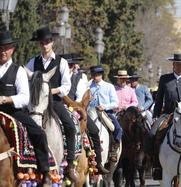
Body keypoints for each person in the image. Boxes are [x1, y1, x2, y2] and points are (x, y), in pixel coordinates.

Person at [26, 27, 78, 182]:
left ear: (52, 43)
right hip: (36, 103)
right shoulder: (32, 62)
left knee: (70, 125)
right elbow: (25, 78)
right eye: (42, 43)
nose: (45, 45)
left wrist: (52, 90)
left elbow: (66, 86)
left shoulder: (61, 62)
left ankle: (70, 164)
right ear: (39, 44)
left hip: (54, 102)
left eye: (47, 42)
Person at [0, 31, 51, 185]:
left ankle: (45, 171)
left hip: (12, 110)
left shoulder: (19, 71)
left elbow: (24, 97)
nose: (3, 51)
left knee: (39, 133)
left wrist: (6, 99)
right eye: (1, 47)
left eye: (7, 48)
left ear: (12, 49)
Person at [61, 54, 110, 174]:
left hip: (76, 111)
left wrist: (69, 104)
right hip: (58, 109)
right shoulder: (58, 77)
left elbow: (81, 100)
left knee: (94, 131)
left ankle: (98, 163)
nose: (68, 68)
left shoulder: (80, 78)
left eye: (69, 66)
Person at [88, 65, 122, 162]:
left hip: (105, 113)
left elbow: (115, 103)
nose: (95, 77)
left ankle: (114, 150)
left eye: (97, 75)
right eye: (93, 75)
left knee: (118, 128)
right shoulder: (88, 87)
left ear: (101, 75)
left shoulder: (109, 86)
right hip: (91, 112)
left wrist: (105, 106)